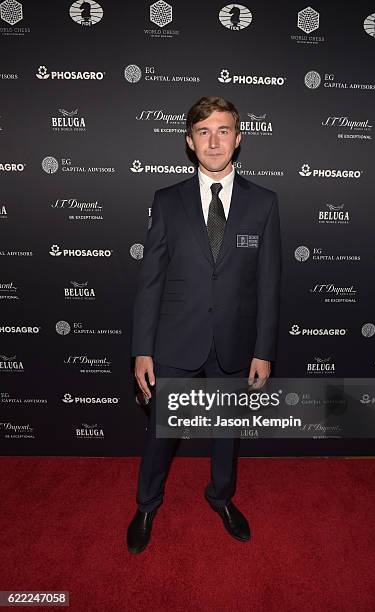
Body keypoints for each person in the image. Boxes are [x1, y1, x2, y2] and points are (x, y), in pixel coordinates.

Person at [128, 96, 282, 553]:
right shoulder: (167, 201)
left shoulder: (265, 203)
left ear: (238, 139)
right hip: (176, 341)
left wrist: (264, 350)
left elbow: (270, 285)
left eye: (223, 131)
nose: (213, 141)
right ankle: (146, 504)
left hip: (235, 343)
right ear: (189, 143)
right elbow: (150, 281)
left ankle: (221, 496)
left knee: (225, 432)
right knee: (162, 432)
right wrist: (142, 348)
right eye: (203, 132)